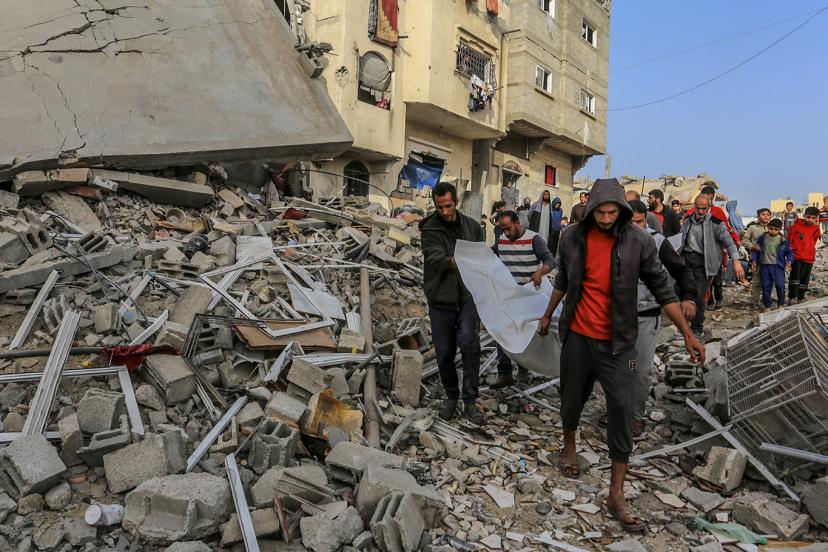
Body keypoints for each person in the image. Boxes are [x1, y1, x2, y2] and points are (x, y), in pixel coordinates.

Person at [537, 178, 705, 533]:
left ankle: (616, 493)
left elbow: (663, 289)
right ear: (591, 210)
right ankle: (569, 445)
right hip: (578, 336)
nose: (606, 219)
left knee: (621, 410)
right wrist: (548, 315)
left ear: (623, 212)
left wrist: (687, 334)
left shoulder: (639, 241)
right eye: (600, 212)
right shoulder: (571, 237)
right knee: (571, 397)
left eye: (612, 213)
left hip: (619, 341)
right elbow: (563, 280)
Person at [598, 200, 697, 437]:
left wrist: (689, 297)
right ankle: (615, 411)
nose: (636, 227)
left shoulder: (657, 241)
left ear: (647, 220)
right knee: (615, 368)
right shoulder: (612, 239)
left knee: (640, 370)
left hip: (646, 315)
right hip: (616, 316)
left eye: (640, 222)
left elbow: (681, 269)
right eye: (631, 223)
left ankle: (635, 416)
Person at [419, 182, 486, 424]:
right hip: (440, 298)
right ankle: (451, 395)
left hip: (467, 295)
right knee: (444, 351)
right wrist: (465, 259)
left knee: (469, 343)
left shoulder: (472, 227)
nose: (445, 211)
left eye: (448, 206)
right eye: (440, 207)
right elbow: (437, 260)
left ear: (456, 202)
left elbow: (482, 255)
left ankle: (470, 401)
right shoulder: (429, 229)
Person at [490, 211, 556, 389]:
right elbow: (489, 256)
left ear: (517, 223)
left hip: (528, 296)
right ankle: (504, 373)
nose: (507, 233)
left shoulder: (534, 239)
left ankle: (523, 368)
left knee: (525, 333)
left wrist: (540, 272)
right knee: (502, 331)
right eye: (503, 229)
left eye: (509, 228)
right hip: (509, 295)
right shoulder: (502, 240)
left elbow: (550, 260)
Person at [677, 195, 744, 337]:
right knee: (681, 291)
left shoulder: (717, 224)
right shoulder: (687, 221)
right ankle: (683, 324)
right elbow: (681, 240)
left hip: (705, 263)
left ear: (709, 207)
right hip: (686, 260)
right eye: (698, 208)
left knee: (698, 295)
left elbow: (729, 242)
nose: (701, 211)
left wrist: (736, 260)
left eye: (704, 208)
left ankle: (696, 328)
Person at [752, 219, 792, 311]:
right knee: (766, 286)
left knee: (780, 285)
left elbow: (789, 252)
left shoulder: (783, 240)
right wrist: (754, 260)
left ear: (780, 230)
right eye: (771, 228)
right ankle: (767, 306)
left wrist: (789, 261)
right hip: (765, 265)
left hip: (778, 266)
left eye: (776, 229)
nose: (773, 231)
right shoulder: (762, 238)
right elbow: (756, 250)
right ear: (768, 227)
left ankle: (781, 303)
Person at [788, 206, 821, 304]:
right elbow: (789, 241)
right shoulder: (795, 227)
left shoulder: (816, 229)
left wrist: (808, 249)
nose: (810, 220)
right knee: (795, 277)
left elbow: (813, 241)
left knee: (804, 278)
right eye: (808, 217)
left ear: (816, 218)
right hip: (796, 256)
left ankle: (800, 297)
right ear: (804, 215)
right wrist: (789, 255)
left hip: (809, 257)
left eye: (813, 218)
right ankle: (792, 297)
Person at [743, 208, 772, 307]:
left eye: (768, 214)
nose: (766, 216)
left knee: (769, 280)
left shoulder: (772, 227)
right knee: (757, 280)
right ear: (758, 216)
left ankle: (766, 300)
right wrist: (753, 246)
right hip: (757, 258)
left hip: (771, 259)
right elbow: (744, 241)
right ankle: (754, 301)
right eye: (763, 214)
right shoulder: (752, 228)